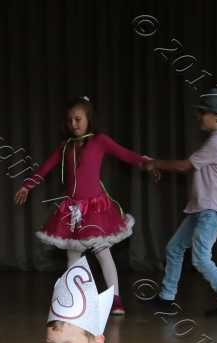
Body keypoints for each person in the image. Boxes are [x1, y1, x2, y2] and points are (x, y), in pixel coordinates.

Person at [14, 96, 151, 315]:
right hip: (72, 210)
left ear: (89, 119)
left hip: (95, 208)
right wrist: (27, 186)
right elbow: (46, 167)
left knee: (103, 252)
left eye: (78, 119)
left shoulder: (100, 141)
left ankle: (115, 299)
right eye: (70, 120)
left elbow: (125, 154)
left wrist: (147, 163)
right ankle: (76, 300)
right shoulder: (65, 146)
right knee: (73, 254)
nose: (74, 124)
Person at [146, 88, 217, 316]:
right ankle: (166, 297)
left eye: (203, 112)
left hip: (211, 210)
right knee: (174, 248)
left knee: (201, 259)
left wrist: (154, 163)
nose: (199, 116)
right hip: (201, 208)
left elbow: (184, 166)